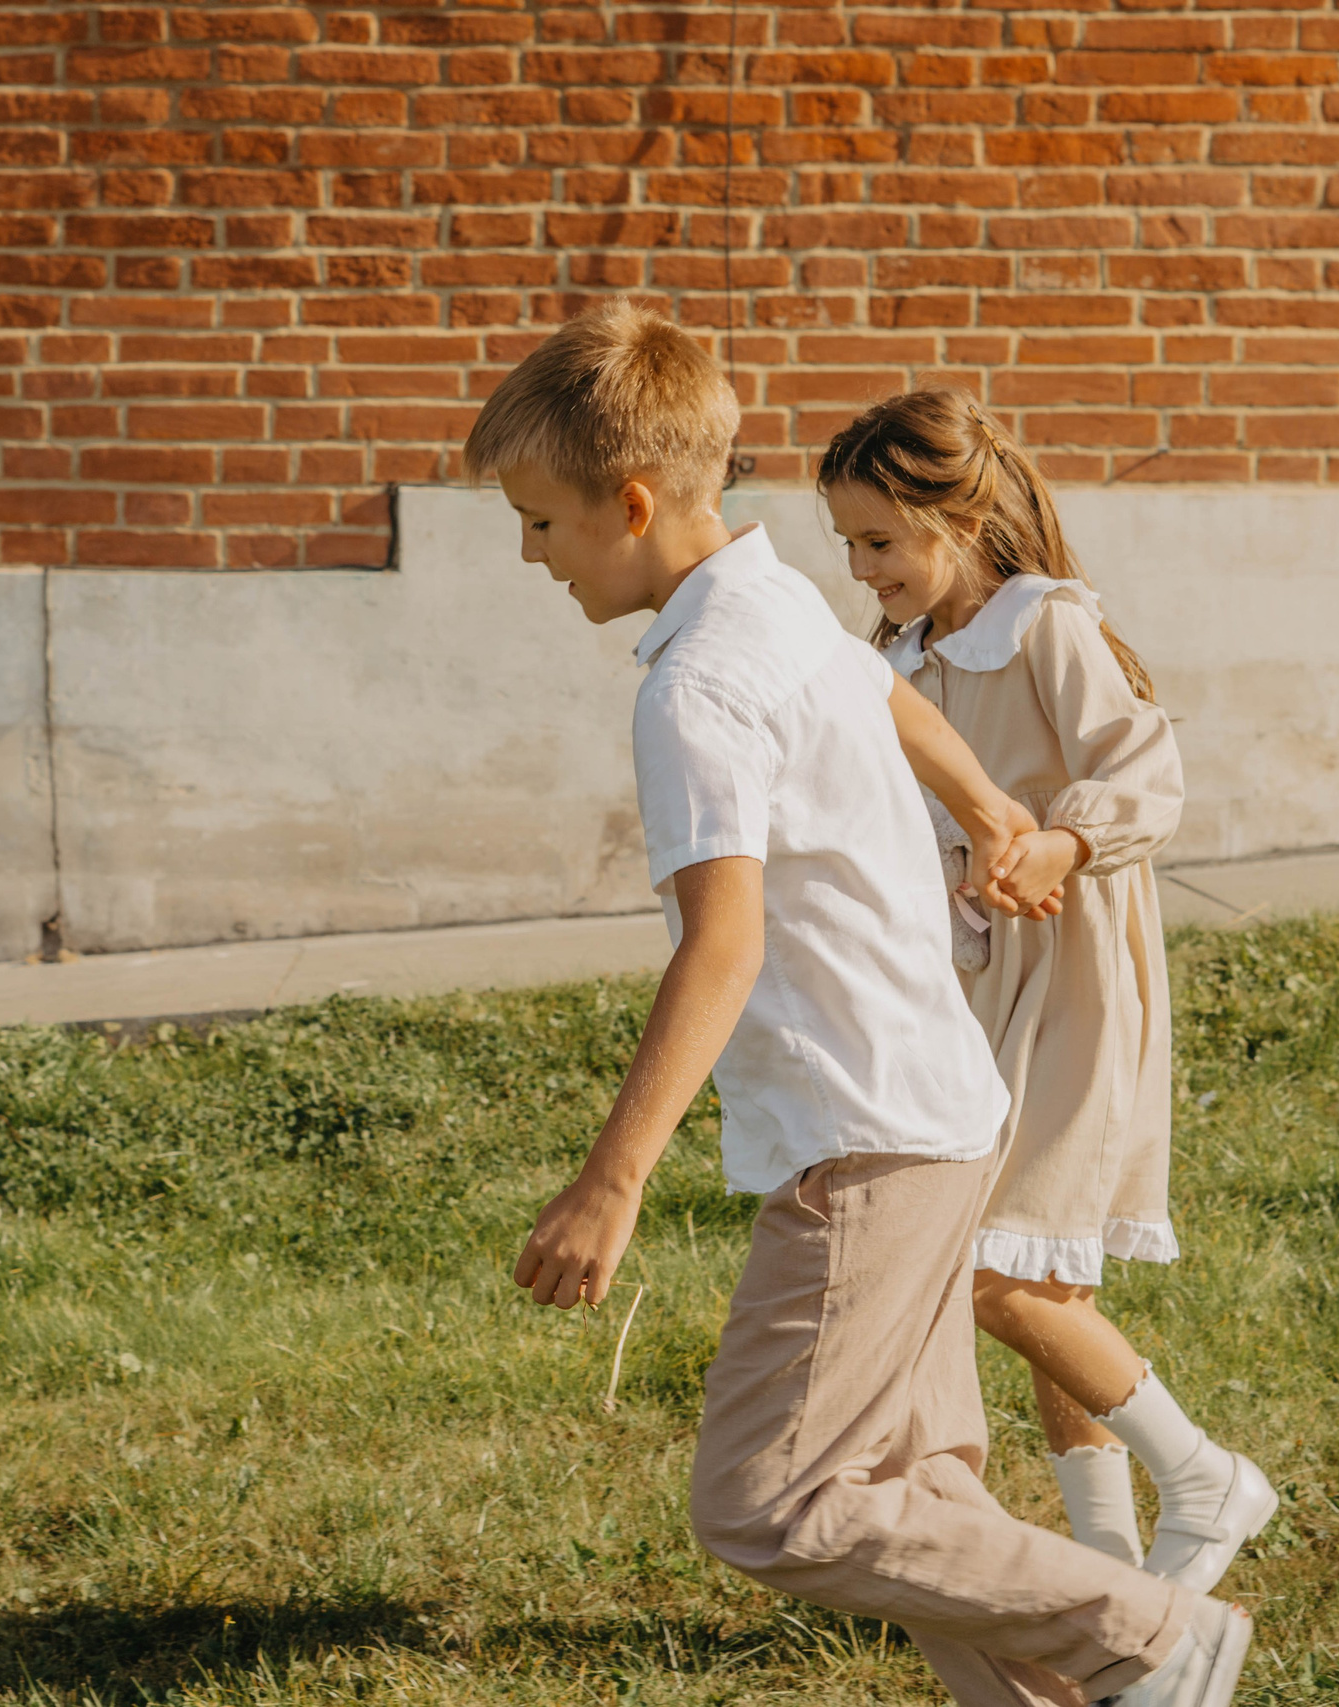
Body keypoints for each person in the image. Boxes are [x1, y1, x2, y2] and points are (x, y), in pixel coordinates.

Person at [466, 302, 1252, 1707]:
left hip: (866, 1140)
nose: (528, 556)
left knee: (769, 1500)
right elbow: (886, 703)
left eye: (536, 523)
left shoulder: (696, 684)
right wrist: (991, 801)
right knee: (917, 1494)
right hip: (941, 1110)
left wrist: (611, 1178)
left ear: (631, 502)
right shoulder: (773, 600)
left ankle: (1155, 1632)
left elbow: (720, 944)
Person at [819, 389, 1276, 1598]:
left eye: (881, 542)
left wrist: (1058, 849)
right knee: (1048, 1274)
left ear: (960, 519)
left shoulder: (1044, 628)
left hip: (1068, 977)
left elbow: (1145, 772)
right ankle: (1110, 1565)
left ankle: (1201, 1474)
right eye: (848, 547)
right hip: (971, 979)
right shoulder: (902, 657)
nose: (863, 571)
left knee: (989, 1267)